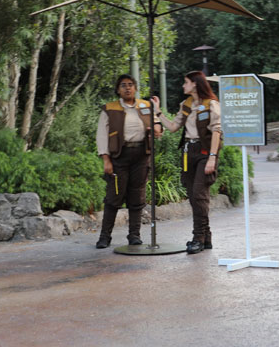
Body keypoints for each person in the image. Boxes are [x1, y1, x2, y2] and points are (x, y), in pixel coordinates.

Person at [151, 70, 221, 254]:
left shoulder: (211, 104)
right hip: (188, 152)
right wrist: (157, 112)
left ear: (195, 84)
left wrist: (212, 158)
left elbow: (217, 131)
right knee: (193, 195)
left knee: (199, 194)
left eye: (186, 82)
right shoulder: (187, 104)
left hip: (205, 152)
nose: (183, 85)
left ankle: (197, 238)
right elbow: (173, 127)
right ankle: (206, 237)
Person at [95, 75, 161, 249]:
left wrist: (157, 116)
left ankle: (134, 235)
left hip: (141, 155)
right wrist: (106, 159)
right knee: (113, 196)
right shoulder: (109, 108)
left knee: (137, 195)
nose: (127, 88)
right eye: (123, 85)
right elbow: (102, 135)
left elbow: (158, 130)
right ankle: (104, 237)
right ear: (118, 89)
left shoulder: (145, 106)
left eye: (131, 85)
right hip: (119, 156)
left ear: (136, 88)